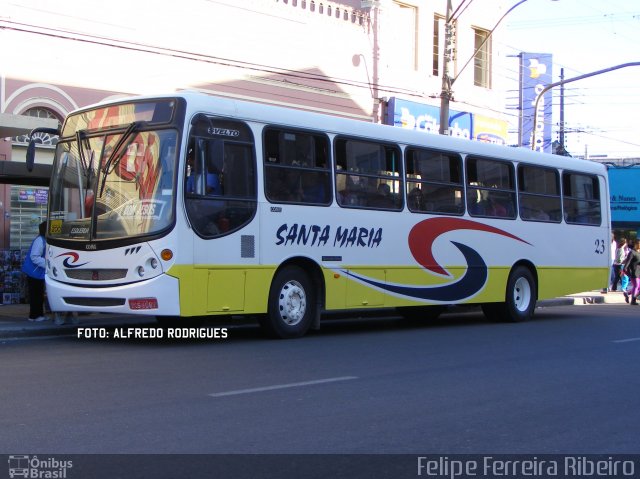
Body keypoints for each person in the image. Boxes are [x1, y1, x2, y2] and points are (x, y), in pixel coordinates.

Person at [22, 221, 48, 322]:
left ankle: (38, 315)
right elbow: (34, 257)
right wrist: (47, 264)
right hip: (34, 272)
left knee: (38, 294)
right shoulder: (40, 240)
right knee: (36, 295)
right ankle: (34, 316)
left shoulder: (42, 240)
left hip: (36, 272)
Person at [622, 239, 640, 305]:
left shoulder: (639, 252)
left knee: (638, 287)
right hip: (634, 271)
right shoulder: (632, 252)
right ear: (635, 244)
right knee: (636, 285)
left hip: (639, 271)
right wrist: (625, 271)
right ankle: (633, 300)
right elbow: (627, 262)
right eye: (639, 243)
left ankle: (627, 293)